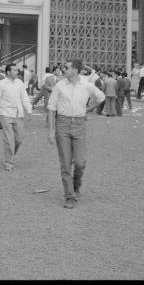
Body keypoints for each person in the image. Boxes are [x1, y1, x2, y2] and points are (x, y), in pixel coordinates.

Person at [47, 59, 106, 209]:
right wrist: (51, 131)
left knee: (80, 162)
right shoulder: (59, 85)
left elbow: (101, 97)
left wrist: (87, 110)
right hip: (62, 124)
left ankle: (76, 185)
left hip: (79, 124)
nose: (63, 69)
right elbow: (51, 108)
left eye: (66, 67)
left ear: (75, 70)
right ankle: (69, 196)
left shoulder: (86, 85)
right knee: (65, 163)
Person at [0, 64, 32, 171]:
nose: (17, 72)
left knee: (19, 138)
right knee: (9, 138)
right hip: (5, 113)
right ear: (8, 72)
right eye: (14, 70)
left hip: (18, 113)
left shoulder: (20, 83)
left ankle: (10, 154)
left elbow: (24, 97)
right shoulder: (1, 84)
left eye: (17, 70)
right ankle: (8, 162)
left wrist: (29, 110)